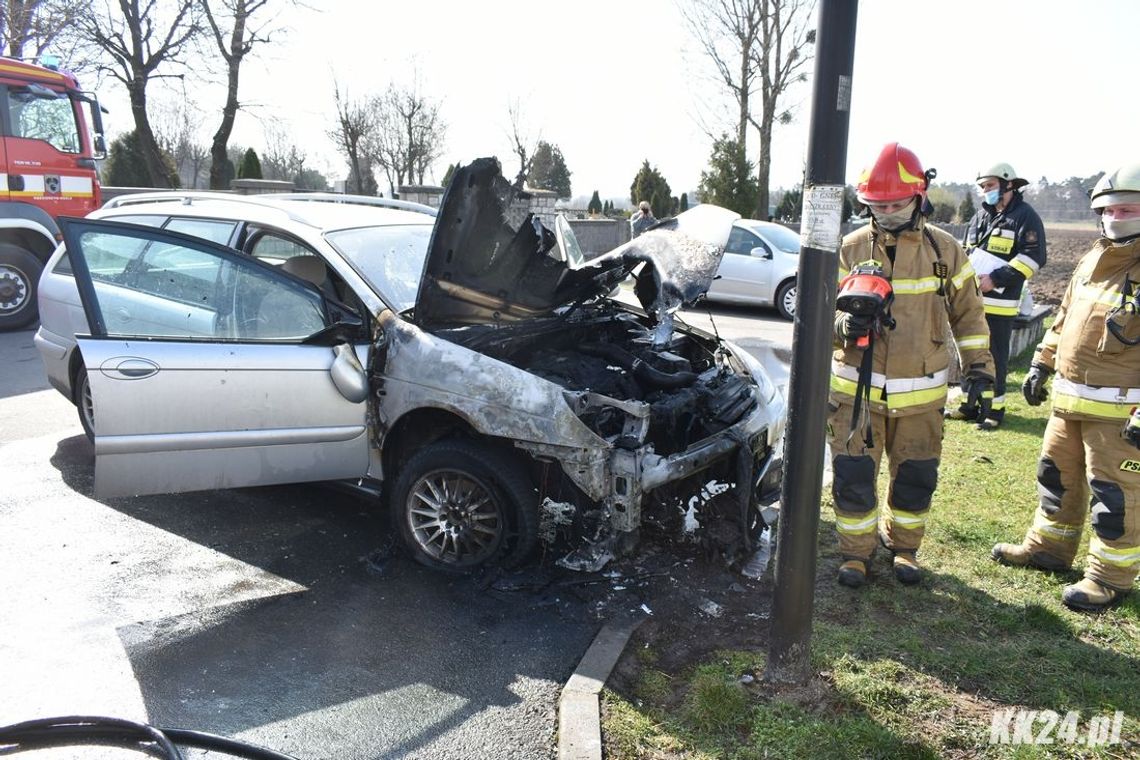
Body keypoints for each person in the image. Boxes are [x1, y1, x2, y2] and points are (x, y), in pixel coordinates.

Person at [829, 142, 995, 588]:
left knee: (916, 477)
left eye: (896, 204)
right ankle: (855, 554)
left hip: (921, 395)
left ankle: (904, 548)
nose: (886, 213)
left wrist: (980, 370)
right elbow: (816, 316)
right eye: (876, 206)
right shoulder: (847, 249)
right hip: (853, 396)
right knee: (853, 477)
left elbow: (970, 316)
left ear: (919, 196)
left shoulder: (945, 252)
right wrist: (843, 325)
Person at [992, 163, 1140, 612]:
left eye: (1128, 208)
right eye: (1109, 209)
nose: (1116, 216)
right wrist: (1041, 363)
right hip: (1068, 405)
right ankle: (1049, 550)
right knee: (1056, 482)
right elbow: (1063, 320)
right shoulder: (1093, 259)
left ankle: (1109, 578)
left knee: (1116, 499)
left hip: (1120, 417)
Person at [947, 163, 1047, 430]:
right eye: (982, 187)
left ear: (1008, 185)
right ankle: (969, 406)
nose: (985, 191)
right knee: (968, 352)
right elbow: (968, 252)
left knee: (995, 356)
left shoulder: (1025, 217)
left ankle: (995, 411)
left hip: (1000, 304)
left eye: (989, 185)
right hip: (971, 300)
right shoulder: (980, 216)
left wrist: (996, 279)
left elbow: (1033, 258)